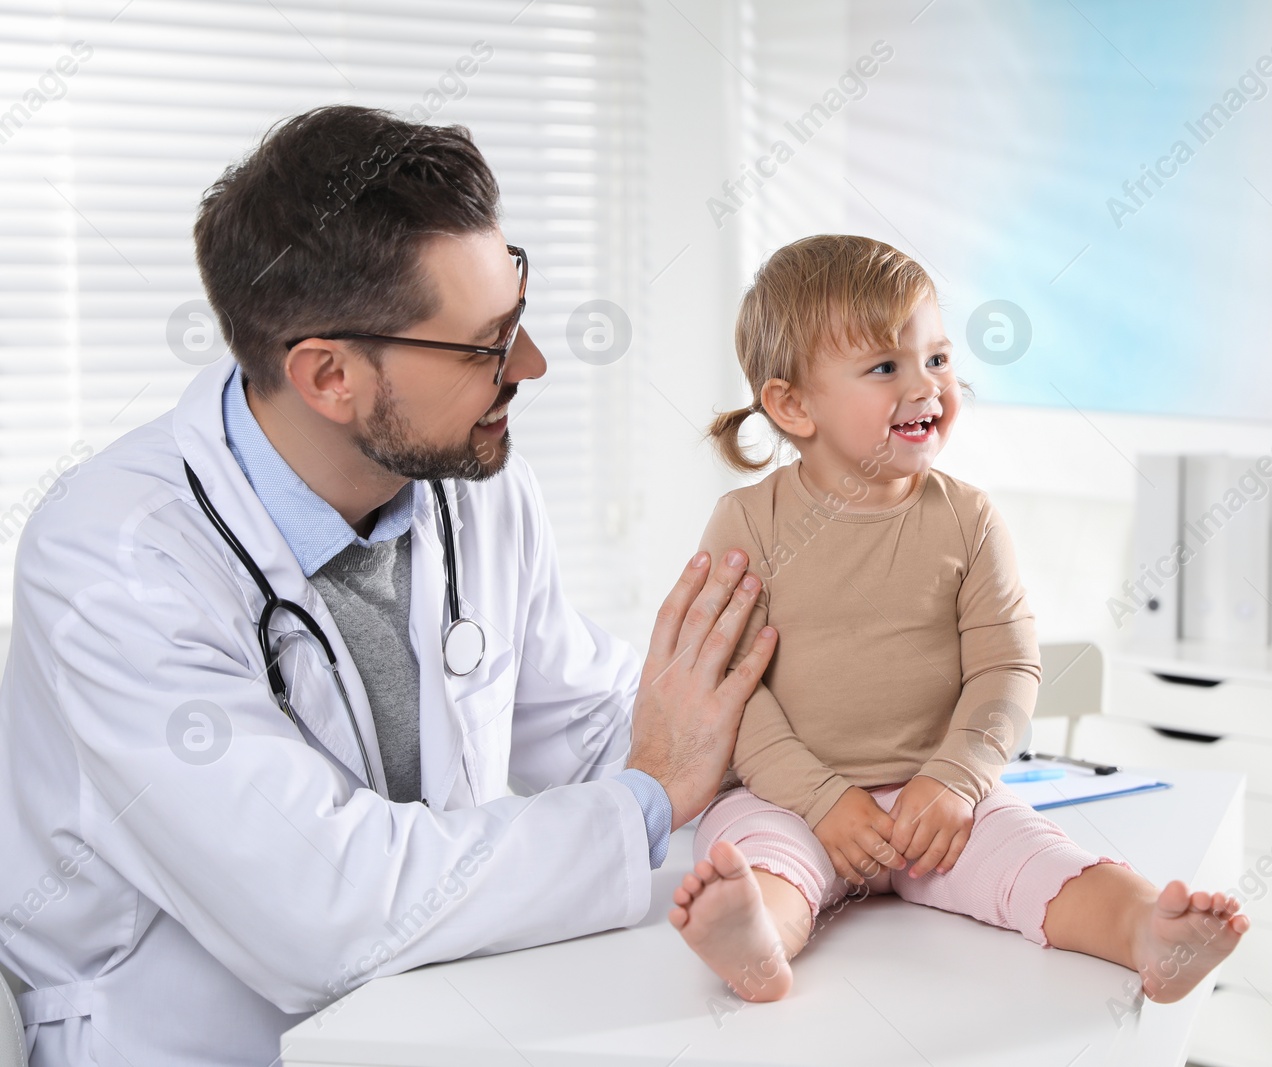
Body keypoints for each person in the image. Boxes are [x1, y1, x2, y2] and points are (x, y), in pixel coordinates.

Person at [0, 105, 774, 1067]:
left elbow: (592, 726)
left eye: (519, 315)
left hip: (430, 1023)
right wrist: (649, 795)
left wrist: (805, 753)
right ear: (328, 375)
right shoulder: (115, 560)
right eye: (487, 346)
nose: (529, 366)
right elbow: (323, 907)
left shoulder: (475, 486)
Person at [667, 235, 1250, 1003]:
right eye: (885, 367)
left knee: (1041, 857)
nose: (927, 386)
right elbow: (733, 693)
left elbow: (1006, 669)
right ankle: (758, 939)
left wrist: (954, 779)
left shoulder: (969, 518)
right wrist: (823, 799)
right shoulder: (745, 520)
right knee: (760, 856)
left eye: (937, 359)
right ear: (792, 404)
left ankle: (1148, 930)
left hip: (934, 804)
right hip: (790, 799)